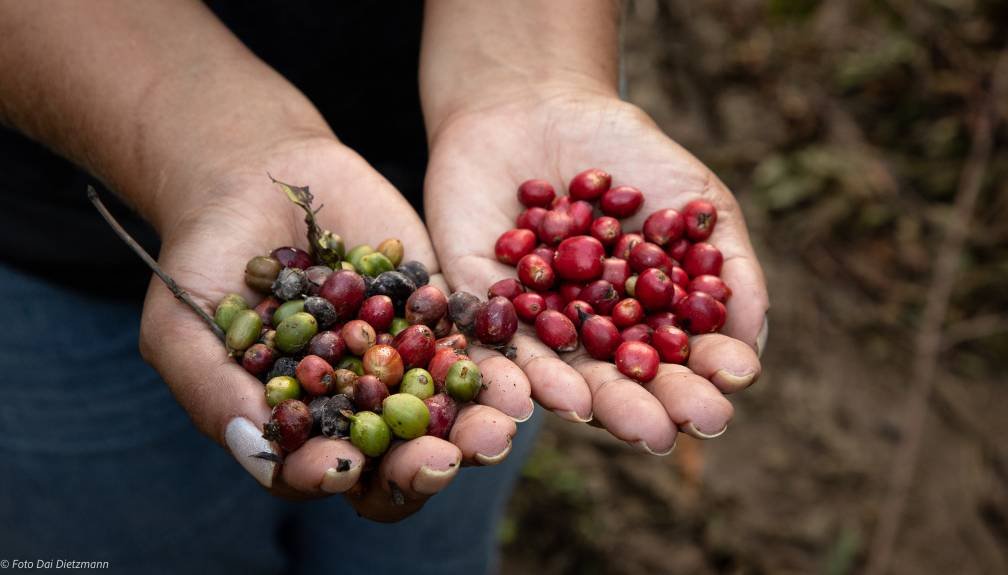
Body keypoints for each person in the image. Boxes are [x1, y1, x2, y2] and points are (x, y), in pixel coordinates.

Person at [0, 1, 768, 573]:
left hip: (462, 171)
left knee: (426, 543)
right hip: (55, 248)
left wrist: (533, 68)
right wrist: (216, 149)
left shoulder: (449, 318)